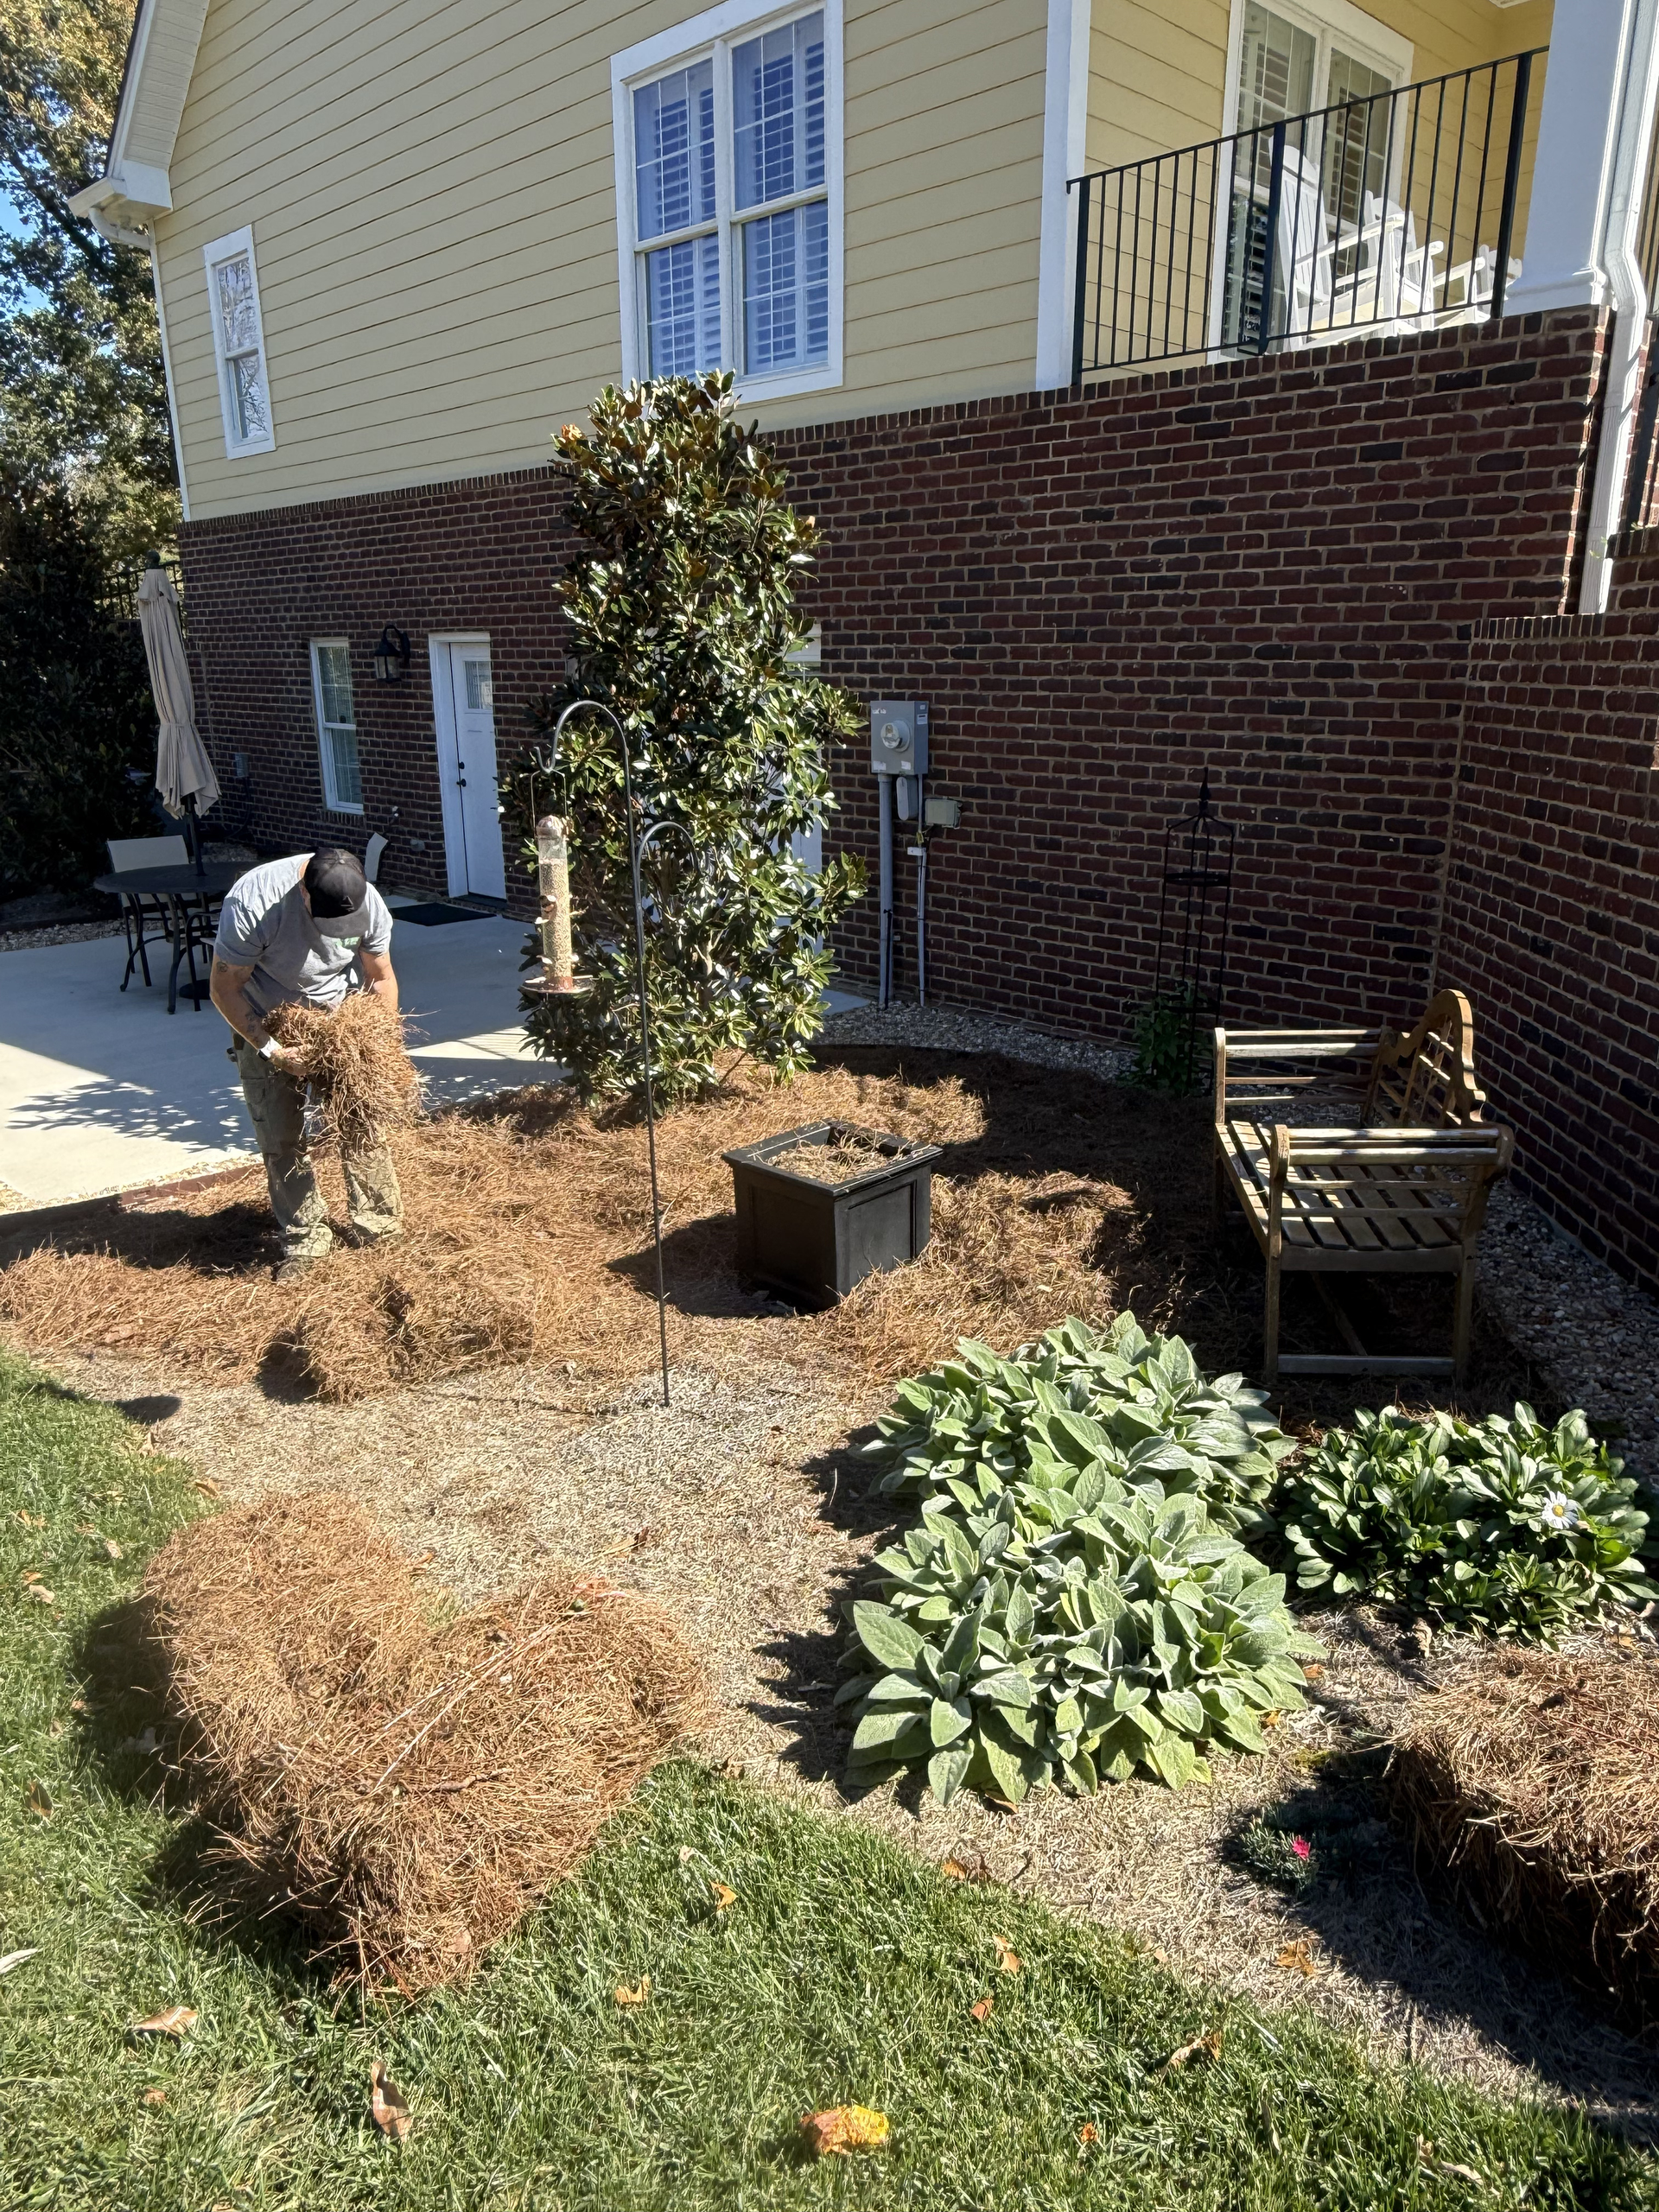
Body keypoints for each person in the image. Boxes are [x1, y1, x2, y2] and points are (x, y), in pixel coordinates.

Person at [209, 848, 404, 1280]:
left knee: (362, 1122)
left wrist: (378, 1038)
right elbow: (224, 987)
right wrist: (272, 1050)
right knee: (280, 1136)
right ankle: (305, 1240)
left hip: (340, 1019)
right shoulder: (252, 905)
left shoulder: (368, 901)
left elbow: (381, 976)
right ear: (303, 892)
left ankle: (380, 1226)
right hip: (267, 1018)